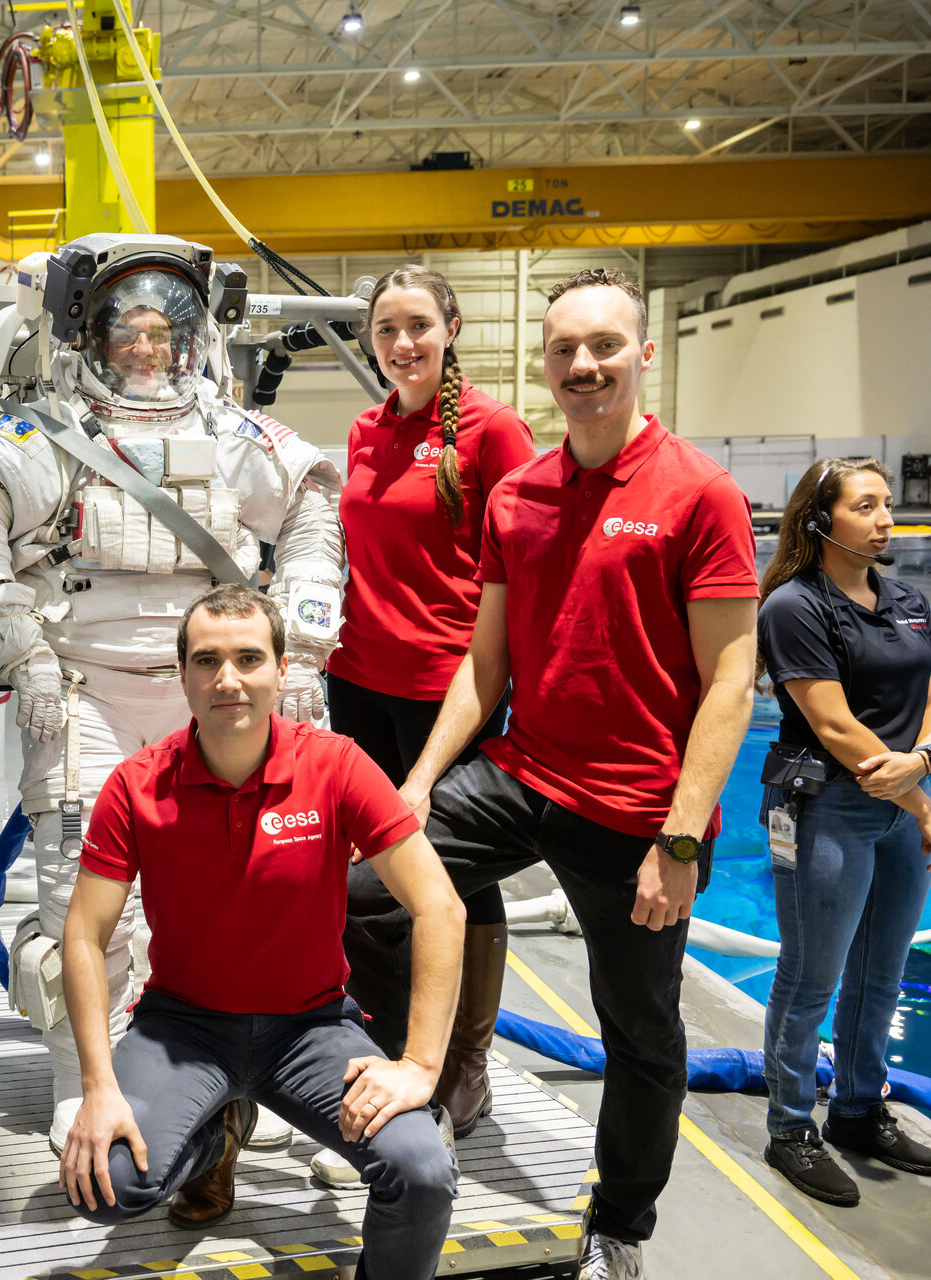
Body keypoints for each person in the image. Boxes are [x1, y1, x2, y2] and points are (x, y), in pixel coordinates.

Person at [348, 268, 760, 1280]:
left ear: (643, 354)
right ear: (544, 362)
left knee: (641, 1032)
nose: (584, 365)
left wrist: (680, 837)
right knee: (366, 893)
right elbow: (485, 661)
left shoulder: (699, 492)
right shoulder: (521, 494)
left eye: (604, 346)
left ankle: (620, 1224)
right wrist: (419, 784)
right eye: (565, 349)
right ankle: (424, 1086)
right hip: (521, 774)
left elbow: (731, 683)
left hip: (635, 811)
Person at [0, 232, 347, 1151]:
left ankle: (219, 1070)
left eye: (165, 330)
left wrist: (305, 649)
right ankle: (82, 1076)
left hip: (216, 697)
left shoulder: (233, 435)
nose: (148, 348)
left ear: (194, 335)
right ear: (89, 333)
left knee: (226, 891)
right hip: (83, 691)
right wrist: (24, 654)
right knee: (79, 891)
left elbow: (314, 510)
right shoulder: (44, 434)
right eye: (128, 330)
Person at [59, 585, 461, 1280]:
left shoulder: (336, 766)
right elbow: (83, 936)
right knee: (104, 1183)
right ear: (181, 674)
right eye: (207, 660)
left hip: (311, 1028)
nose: (228, 679)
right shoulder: (136, 786)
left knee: (421, 1172)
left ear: (281, 670)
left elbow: (441, 907)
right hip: (182, 1029)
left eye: (248, 658)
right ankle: (215, 1142)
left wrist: (421, 1066)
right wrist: (98, 1087)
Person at [328, 266, 539, 1148]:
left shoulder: (494, 430)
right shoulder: (364, 429)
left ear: (451, 328)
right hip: (357, 680)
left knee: (453, 876)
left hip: (446, 693)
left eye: (417, 325)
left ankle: (464, 1063)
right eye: (386, 329)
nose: (402, 343)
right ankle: (388, 1038)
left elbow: (532, 560)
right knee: (371, 875)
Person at [754, 456, 931, 1205]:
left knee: (882, 971)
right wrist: (919, 798)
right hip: (828, 804)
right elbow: (830, 722)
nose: (886, 518)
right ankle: (791, 1127)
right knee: (810, 976)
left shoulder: (908, 598)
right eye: (866, 506)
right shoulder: (793, 606)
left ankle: (858, 1109)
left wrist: (921, 762)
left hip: (904, 801)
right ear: (821, 519)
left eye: (887, 503)